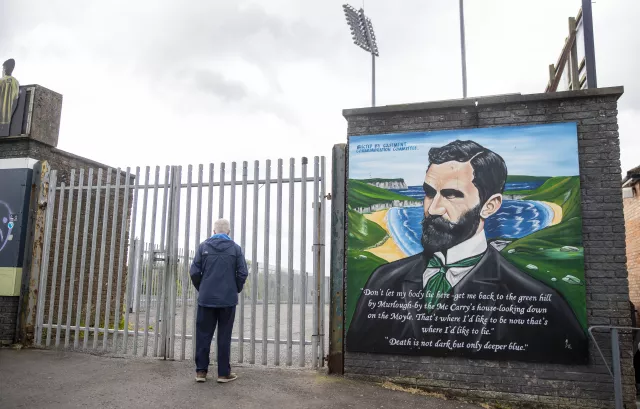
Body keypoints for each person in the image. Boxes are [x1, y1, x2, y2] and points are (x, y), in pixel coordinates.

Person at [347, 140, 587, 364]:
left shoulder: (542, 303)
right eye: (429, 192)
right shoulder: (383, 281)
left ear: (490, 206)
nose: (433, 208)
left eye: (452, 195)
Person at [190, 218, 248, 383]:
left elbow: (194, 272)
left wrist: (203, 288)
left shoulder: (203, 247)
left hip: (206, 299)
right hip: (227, 301)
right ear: (228, 232)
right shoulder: (236, 249)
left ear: (213, 231)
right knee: (224, 336)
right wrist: (234, 288)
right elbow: (243, 272)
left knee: (203, 335)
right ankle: (223, 374)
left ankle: (201, 372)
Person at [0, 59, 20, 135]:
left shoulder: (1, 81)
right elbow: (16, 99)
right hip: (8, 118)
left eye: (4, 68)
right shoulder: (16, 82)